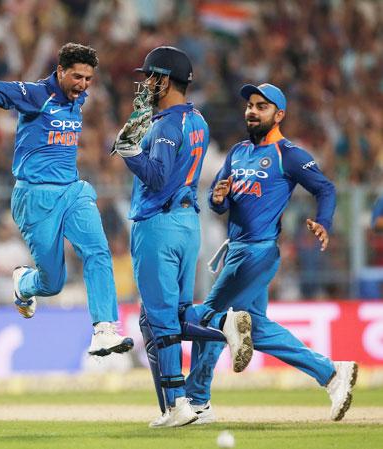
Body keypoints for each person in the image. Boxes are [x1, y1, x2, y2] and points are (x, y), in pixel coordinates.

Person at [0, 42, 133, 356]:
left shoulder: (80, 96)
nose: (83, 85)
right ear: (59, 71)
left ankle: (104, 329)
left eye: (88, 79)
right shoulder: (36, 95)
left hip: (72, 191)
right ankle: (24, 283)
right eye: (77, 77)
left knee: (97, 250)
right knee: (53, 283)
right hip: (34, 197)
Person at [184, 83, 357, 424]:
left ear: (279, 115)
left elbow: (325, 188)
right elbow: (217, 203)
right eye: (250, 104)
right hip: (236, 251)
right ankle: (331, 373)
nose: (252, 110)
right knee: (254, 328)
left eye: (261, 106)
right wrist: (218, 198)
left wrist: (323, 221)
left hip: (257, 253)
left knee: (211, 318)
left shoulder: (288, 154)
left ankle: (196, 400)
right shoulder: (236, 153)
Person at [112, 46, 253, 427]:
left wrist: (128, 152)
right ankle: (217, 331)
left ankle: (178, 404)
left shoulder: (165, 126)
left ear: (164, 79)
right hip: (187, 222)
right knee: (165, 316)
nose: (145, 84)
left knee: (161, 319)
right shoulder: (199, 121)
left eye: (150, 77)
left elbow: (156, 175)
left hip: (157, 224)